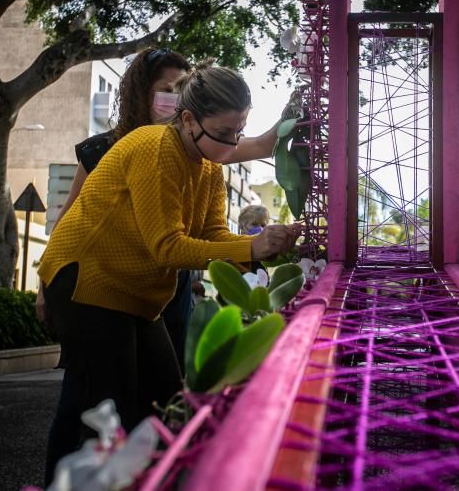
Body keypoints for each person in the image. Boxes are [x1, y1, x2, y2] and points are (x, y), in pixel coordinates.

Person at [38, 64, 301, 481]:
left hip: (137, 297)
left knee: (168, 403)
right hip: (86, 282)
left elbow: (213, 234)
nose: (233, 142)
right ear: (188, 119)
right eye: (224, 131)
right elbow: (167, 247)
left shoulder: (211, 164)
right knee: (107, 411)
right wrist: (251, 246)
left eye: (239, 130)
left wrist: (268, 246)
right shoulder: (155, 149)